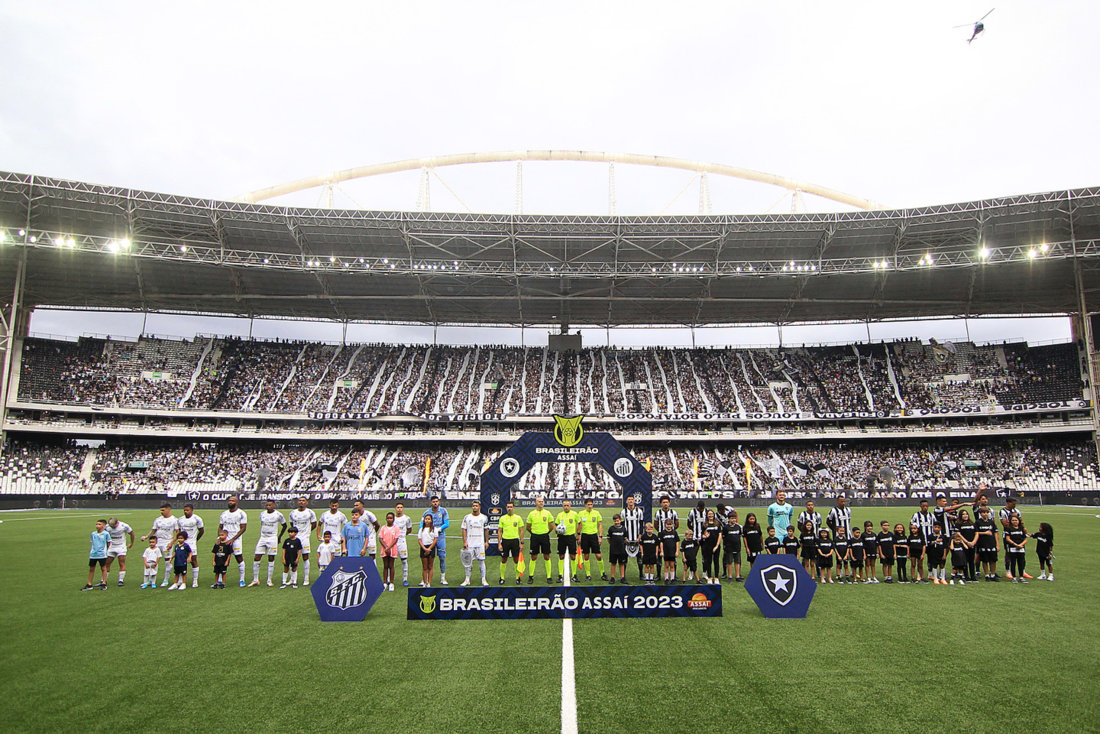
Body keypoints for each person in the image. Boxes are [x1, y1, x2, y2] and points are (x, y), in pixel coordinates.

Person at [141, 503, 180, 589]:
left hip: (167, 543)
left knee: (167, 561)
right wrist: (146, 537)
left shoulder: (174, 520)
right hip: (158, 542)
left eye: (163, 510)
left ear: (168, 509)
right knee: (152, 560)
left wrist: (171, 543)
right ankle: (150, 579)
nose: (161, 512)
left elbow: (177, 532)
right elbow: (153, 531)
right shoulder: (158, 520)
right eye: (161, 510)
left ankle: (166, 580)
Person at [250, 501, 286, 588]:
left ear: (274, 505)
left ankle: (269, 580)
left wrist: (279, 536)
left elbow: (284, 525)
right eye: (267, 505)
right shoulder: (262, 514)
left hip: (272, 538)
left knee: (271, 558)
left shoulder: (278, 515)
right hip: (262, 538)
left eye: (270, 505)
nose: (268, 506)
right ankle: (255, 580)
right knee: (257, 557)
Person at [218, 496, 249, 587]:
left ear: (237, 502)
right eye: (229, 501)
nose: (230, 502)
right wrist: (220, 538)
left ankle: (242, 580)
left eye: (232, 501)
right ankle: (219, 580)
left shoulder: (241, 514)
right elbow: (220, 527)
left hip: (236, 539)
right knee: (221, 558)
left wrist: (233, 539)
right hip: (225, 539)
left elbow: (243, 528)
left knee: (238, 557)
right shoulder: (223, 514)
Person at [288, 497, 318, 587]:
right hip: (295, 538)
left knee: (305, 557)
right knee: (292, 558)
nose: (301, 502)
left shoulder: (310, 512)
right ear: (298, 502)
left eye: (303, 501)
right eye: (300, 500)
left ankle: (306, 579)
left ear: (306, 502)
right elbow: (292, 524)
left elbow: (314, 524)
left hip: (305, 538)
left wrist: (307, 532)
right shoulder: (293, 513)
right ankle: (292, 579)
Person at [525, 496, 555, 584]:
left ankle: (549, 576)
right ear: (536, 503)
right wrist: (534, 533)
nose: (541, 503)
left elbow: (551, 526)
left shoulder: (547, 513)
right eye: (539, 501)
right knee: (533, 557)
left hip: (545, 536)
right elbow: (528, 527)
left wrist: (545, 533)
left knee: (546, 556)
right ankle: (531, 576)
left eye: (542, 501)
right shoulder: (531, 514)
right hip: (534, 537)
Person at [460, 501, 489, 587]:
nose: (474, 507)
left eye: (476, 506)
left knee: (481, 561)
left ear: (479, 507)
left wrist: (486, 541)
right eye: (473, 506)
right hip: (470, 544)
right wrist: (465, 541)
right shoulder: (467, 517)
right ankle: (467, 579)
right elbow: (464, 529)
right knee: (468, 562)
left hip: (480, 544)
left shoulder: (484, 518)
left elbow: (486, 530)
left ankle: (483, 579)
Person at [423, 496, 451, 585]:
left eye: (436, 501)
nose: (435, 503)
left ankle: (443, 577)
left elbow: (447, 523)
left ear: (439, 502)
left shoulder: (443, 511)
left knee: (442, 557)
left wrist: (439, 529)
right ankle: (425, 578)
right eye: (433, 501)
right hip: (429, 538)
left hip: (440, 536)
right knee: (428, 557)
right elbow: (422, 524)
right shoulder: (427, 513)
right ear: (431, 503)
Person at [999, 497, 1030, 579]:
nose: (1015, 505)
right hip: (1009, 534)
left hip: (1019, 535)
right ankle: (1008, 571)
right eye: (1013, 503)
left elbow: (1021, 523)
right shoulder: (1003, 511)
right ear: (1008, 503)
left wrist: (1023, 529)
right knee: (1009, 553)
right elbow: (1005, 524)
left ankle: (1022, 571)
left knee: (1022, 554)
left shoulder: (1017, 511)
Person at [577, 499, 606, 581]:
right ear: (585, 505)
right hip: (585, 536)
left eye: (591, 504)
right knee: (586, 556)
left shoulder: (596, 513)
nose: (590, 506)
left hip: (594, 536)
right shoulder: (581, 513)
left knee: (598, 556)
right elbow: (579, 525)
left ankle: (602, 573)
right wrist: (578, 535)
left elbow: (600, 525)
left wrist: (600, 536)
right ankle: (588, 574)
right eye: (588, 504)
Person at [498, 501, 525, 585]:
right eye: (508, 507)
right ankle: (502, 578)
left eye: (511, 507)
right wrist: (499, 543)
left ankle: (518, 578)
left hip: (514, 541)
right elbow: (499, 531)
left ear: (513, 508)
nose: (509, 508)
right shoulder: (502, 518)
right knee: (504, 559)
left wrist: (522, 542)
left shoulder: (518, 518)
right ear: (506, 508)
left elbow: (521, 531)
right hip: (505, 540)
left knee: (516, 559)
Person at [178, 504, 205, 589]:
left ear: (192, 510)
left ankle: (195, 581)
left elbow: (201, 531)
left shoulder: (197, 519)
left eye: (187, 510)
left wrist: (195, 540)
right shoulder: (180, 519)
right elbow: (179, 531)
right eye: (184, 510)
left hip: (192, 542)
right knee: (180, 561)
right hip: (183, 542)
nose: (186, 512)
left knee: (193, 561)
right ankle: (180, 580)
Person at [620, 495, 645, 581]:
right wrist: (625, 537)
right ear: (626, 501)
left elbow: (641, 524)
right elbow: (622, 526)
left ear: (634, 501)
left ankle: (641, 574)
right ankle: (623, 576)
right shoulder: (623, 512)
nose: (630, 501)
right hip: (627, 538)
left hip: (636, 538)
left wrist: (640, 536)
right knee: (624, 558)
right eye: (629, 499)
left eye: (632, 499)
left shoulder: (639, 511)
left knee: (639, 558)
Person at [82, 519, 111, 591]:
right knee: (91, 568)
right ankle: (89, 584)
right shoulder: (93, 534)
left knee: (103, 568)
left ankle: (104, 583)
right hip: (93, 554)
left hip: (102, 554)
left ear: (104, 526)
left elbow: (108, 543)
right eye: (96, 524)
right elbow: (93, 543)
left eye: (99, 524)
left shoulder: (106, 534)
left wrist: (105, 551)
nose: (97, 526)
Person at [555, 500, 580, 583]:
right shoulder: (559, 515)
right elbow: (556, 525)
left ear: (570, 506)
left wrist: (578, 534)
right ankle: (560, 575)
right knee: (561, 556)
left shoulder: (574, 514)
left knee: (573, 556)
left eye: (567, 505)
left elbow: (579, 523)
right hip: (562, 537)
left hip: (571, 537)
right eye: (564, 505)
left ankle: (574, 575)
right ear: (562, 506)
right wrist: (557, 531)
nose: (566, 507)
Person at [104, 517, 134, 587]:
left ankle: (121, 580)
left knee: (121, 562)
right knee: (107, 563)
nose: (112, 527)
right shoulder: (107, 527)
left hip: (121, 547)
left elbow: (132, 534)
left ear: (117, 523)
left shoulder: (124, 526)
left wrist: (131, 543)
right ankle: (104, 580)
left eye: (113, 526)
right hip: (112, 547)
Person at [391, 502, 414, 587]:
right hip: (392, 542)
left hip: (402, 542)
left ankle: (405, 579)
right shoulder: (392, 518)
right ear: (395, 508)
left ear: (403, 509)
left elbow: (409, 529)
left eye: (401, 507)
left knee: (404, 560)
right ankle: (390, 579)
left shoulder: (407, 518)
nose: (399, 509)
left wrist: (402, 536)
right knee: (391, 561)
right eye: (398, 507)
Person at [974, 506, 1000, 581]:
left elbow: (995, 532)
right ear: (980, 513)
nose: (985, 514)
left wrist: (997, 544)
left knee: (993, 560)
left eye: (987, 512)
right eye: (983, 512)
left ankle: (993, 574)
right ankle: (987, 575)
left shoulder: (991, 522)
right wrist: (984, 533)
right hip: (982, 543)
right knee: (984, 560)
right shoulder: (978, 522)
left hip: (991, 543)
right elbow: (975, 532)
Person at [699, 510, 722, 584]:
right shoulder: (705, 524)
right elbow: (702, 535)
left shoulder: (717, 524)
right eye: (709, 514)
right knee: (708, 561)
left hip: (716, 546)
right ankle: (709, 577)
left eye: (712, 514)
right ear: (707, 515)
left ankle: (716, 577)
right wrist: (705, 536)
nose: (711, 515)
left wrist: (717, 545)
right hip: (707, 546)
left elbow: (720, 535)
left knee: (716, 561)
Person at [379, 513, 401, 591]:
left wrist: (389, 547)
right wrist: (386, 547)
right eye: (388, 518)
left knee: (391, 565)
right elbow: (380, 538)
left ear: (393, 519)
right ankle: (385, 582)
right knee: (385, 565)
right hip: (384, 549)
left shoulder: (396, 528)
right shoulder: (383, 528)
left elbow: (396, 539)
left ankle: (391, 583)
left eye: (391, 518)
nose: (389, 519)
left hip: (392, 549)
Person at [1004, 515, 1029, 583]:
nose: (1015, 522)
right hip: (1012, 548)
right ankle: (1014, 577)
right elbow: (1008, 538)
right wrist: (1015, 545)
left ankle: (1021, 577)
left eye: (1016, 520)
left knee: (1021, 562)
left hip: (1021, 548)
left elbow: (1025, 539)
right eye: (1013, 520)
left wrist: (1021, 545)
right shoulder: (1009, 529)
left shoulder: (1021, 529)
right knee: (1013, 563)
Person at [956, 510, 978, 582]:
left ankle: (973, 576)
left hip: (972, 544)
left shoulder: (972, 524)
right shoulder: (958, 524)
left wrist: (973, 542)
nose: (965, 515)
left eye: (966, 514)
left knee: (971, 560)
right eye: (963, 514)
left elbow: (976, 533)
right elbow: (959, 534)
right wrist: (966, 542)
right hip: (964, 544)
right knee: (964, 560)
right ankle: (966, 576)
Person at [606, 514, 628, 584]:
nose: (616, 522)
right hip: (613, 549)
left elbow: (625, 538)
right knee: (613, 563)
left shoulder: (624, 529)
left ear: (620, 520)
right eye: (615, 521)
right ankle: (612, 578)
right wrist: (613, 544)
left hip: (621, 549)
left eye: (618, 521)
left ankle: (622, 577)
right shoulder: (611, 529)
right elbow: (609, 538)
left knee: (622, 563)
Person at [722, 510, 743, 582]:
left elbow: (739, 536)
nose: (733, 520)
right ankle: (730, 576)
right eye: (732, 518)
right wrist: (725, 547)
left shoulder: (738, 527)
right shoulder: (726, 528)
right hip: (729, 548)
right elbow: (724, 538)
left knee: (737, 562)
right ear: (728, 519)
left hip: (737, 547)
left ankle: (738, 576)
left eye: (734, 518)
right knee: (729, 562)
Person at [418, 514, 439, 587]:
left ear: (431, 520)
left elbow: (435, 539)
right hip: (423, 547)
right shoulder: (421, 529)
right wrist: (424, 548)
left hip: (431, 547)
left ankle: (429, 583)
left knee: (430, 566)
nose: (427, 520)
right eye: (426, 519)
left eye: (428, 519)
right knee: (424, 567)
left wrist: (429, 548)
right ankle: (424, 582)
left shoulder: (434, 529)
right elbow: (419, 540)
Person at [658, 519, 679, 585]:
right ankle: (666, 579)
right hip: (666, 551)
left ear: (672, 525)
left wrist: (677, 551)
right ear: (665, 525)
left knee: (672, 565)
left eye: (670, 524)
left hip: (672, 551)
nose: (669, 526)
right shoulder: (663, 533)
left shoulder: (674, 533)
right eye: (667, 524)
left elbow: (677, 542)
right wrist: (661, 551)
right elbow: (661, 542)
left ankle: (672, 578)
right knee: (666, 565)